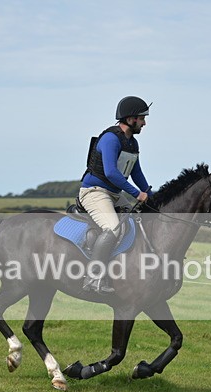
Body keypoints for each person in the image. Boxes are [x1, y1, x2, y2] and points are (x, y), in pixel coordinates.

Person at [79, 96, 152, 293]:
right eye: (142, 118)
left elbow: (136, 173)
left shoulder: (132, 143)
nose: (144, 123)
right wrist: (137, 194)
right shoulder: (110, 139)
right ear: (130, 119)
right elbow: (111, 172)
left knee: (138, 222)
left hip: (113, 194)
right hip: (94, 192)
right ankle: (92, 279)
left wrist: (151, 196)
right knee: (113, 228)